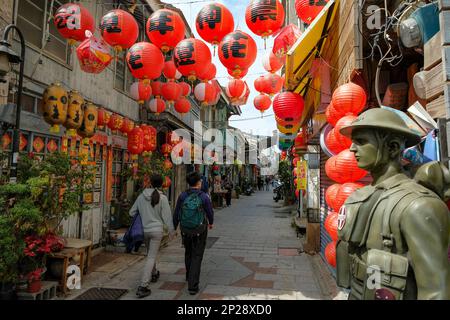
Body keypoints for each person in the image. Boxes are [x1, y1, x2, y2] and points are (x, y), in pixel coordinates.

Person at [336, 108, 450, 300]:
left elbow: (435, 290)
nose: (352, 149)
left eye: (361, 141)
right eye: (353, 142)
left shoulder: (419, 205)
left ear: (393, 147)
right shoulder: (361, 197)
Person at [129, 174, 176, 298]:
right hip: (157, 231)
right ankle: (143, 286)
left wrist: (143, 212)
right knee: (151, 256)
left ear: (149, 182)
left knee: (150, 253)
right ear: (161, 184)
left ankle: (154, 273)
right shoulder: (163, 198)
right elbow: (167, 217)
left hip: (145, 230)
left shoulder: (141, 197)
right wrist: (172, 231)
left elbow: (131, 212)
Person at [173, 172, 214, 295]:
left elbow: (176, 213)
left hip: (185, 229)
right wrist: (211, 222)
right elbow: (210, 212)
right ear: (199, 183)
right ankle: (193, 286)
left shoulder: (182, 196)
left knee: (188, 252)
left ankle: (188, 275)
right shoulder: (204, 196)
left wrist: (174, 226)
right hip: (199, 230)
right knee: (197, 255)